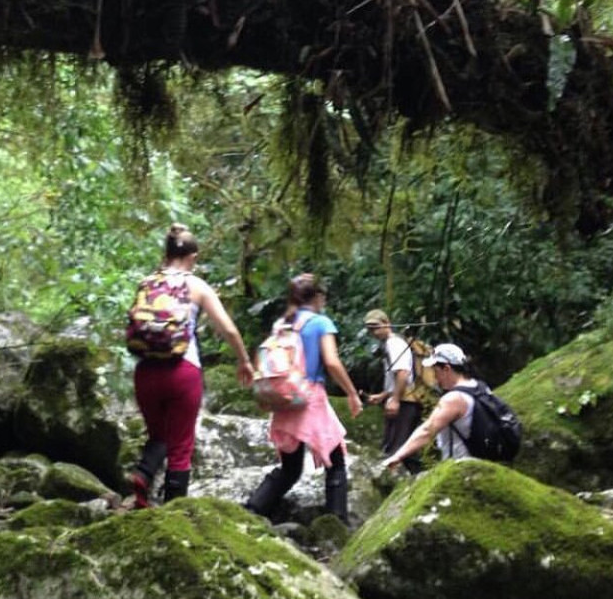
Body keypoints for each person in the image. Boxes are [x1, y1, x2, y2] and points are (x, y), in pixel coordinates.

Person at [128, 223, 255, 508]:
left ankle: (142, 475)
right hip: (183, 372)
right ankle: (174, 512)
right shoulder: (197, 286)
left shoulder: (146, 283)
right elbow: (230, 331)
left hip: (145, 372)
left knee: (158, 435)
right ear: (193, 257)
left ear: (166, 253)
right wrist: (244, 361)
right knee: (181, 445)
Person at [244, 275, 363, 523]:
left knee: (290, 468)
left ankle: (254, 509)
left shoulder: (282, 324)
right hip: (309, 398)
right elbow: (331, 361)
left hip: (286, 398)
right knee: (335, 459)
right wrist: (352, 393)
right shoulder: (321, 323)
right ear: (318, 297)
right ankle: (336, 521)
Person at [381, 342, 479, 469]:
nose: (433, 375)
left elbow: (427, 431)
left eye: (434, 369)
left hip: (462, 466)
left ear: (447, 369)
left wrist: (397, 456)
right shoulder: (479, 387)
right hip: (481, 460)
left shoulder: (453, 399)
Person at [362, 309, 423, 474]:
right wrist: (383, 396)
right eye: (369, 329)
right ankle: (418, 479)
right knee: (405, 449)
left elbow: (403, 373)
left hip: (406, 401)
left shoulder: (394, 343)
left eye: (375, 327)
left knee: (397, 448)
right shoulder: (390, 344)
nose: (373, 332)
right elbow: (395, 378)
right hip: (404, 399)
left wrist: (395, 400)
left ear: (387, 323)